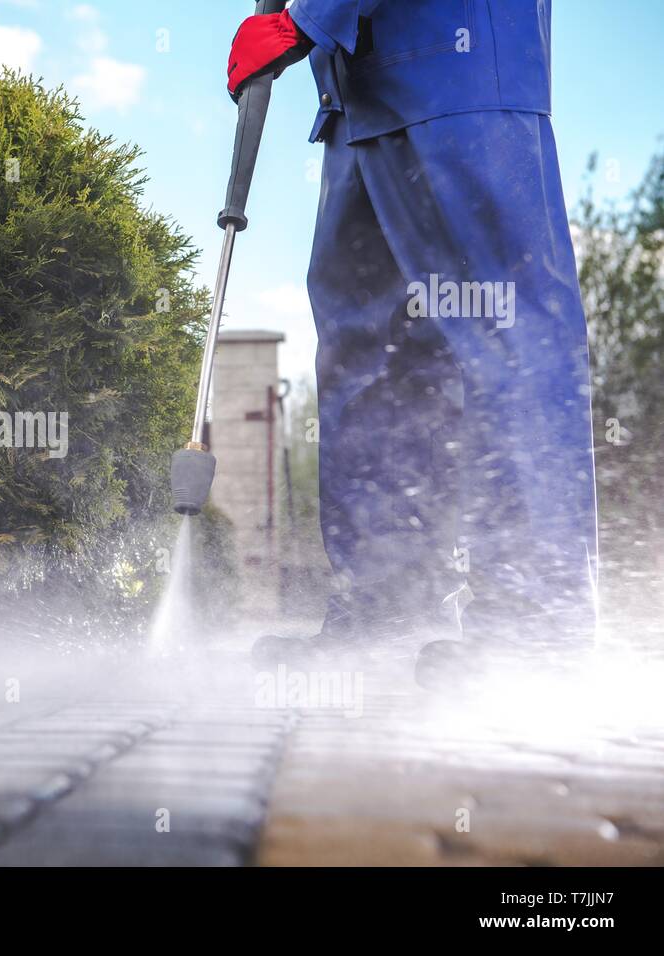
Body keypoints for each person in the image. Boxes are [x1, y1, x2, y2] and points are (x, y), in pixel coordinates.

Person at [228, 1, 599, 681]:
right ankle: (387, 606)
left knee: (509, 331)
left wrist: (304, 18)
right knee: (371, 354)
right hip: (356, 97)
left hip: (459, 82)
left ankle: (537, 625)